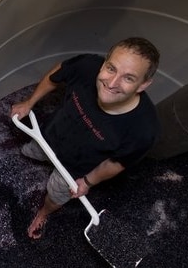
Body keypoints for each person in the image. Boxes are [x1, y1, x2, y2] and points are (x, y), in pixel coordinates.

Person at [10, 37, 161, 239]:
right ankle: (28, 157)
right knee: (30, 151)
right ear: (104, 62)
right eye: (111, 68)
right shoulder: (86, 67)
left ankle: (43, 213)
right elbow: (57, 74)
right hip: (47, 136)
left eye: (128, 78)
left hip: (74, 169)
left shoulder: (143, 130)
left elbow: (116, 163)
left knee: (55, 196)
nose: (112, 83)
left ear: (143, 84)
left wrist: (88, 182)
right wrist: (29, 102)